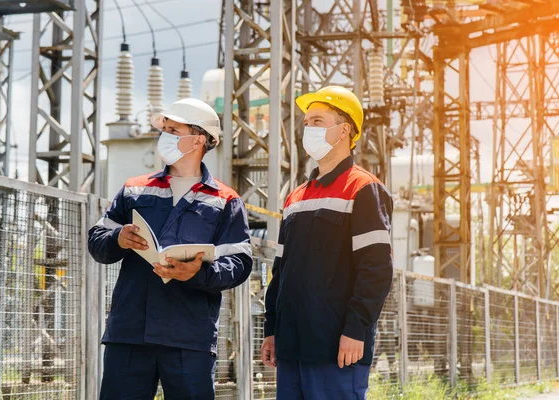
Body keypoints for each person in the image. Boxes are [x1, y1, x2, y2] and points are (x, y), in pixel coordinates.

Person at [88, 98, 253, 400]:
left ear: (198, 139)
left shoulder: (225, 200)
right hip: (130, 332)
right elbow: (97, 240)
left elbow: (239, 263)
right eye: (164, 129)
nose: (164, 135)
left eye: (173, 129)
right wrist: (118, 239)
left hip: (189, 337)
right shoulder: (135, 189)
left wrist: (198, 272)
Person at [261, 86, 394, 399]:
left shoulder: (363, 189)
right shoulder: (294, 197)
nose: (308, 129)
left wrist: (356, 329)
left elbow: (376, 270)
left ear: (343, 130)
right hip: (291, 347)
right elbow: (280, 273)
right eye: (306, 123)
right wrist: (272, 329)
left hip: (337, 348)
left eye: (317, 121)